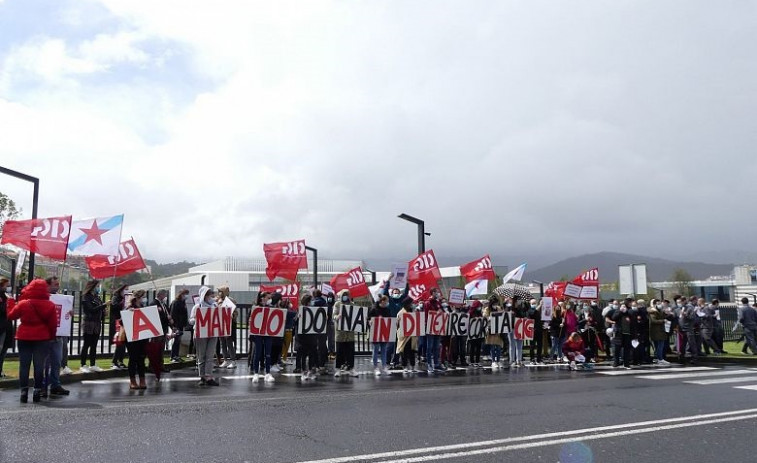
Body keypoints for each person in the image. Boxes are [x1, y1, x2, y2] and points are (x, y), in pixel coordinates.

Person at [7, 279, 56, 403]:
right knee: (39, 366)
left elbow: (11, 316)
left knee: (24, 365)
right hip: (42, 337)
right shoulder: (50, 305)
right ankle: (37, 390)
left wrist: (11, 303)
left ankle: (24, 391)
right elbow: (53, 325)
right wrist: (51, 337)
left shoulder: (24, 303)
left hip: (24, 336)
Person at [42, 276, 69, 397]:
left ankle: (55, 385)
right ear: (47, 285)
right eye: (55, 284)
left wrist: (69, 312)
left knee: (57, 361)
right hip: (45, 336)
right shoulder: (42, 297)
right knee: (44, 363)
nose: (57, 286)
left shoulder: (61, 298)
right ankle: (42, 386)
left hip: (58, 336)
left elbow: (65, 316)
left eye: (58, 284)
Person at [189, 286, 220, 386]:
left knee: (210, 355)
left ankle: (208, 376)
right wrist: (197, 319)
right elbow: (191, 321)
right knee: (201, 355)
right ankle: (202, 376)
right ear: (203, 295)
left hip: (213, 333)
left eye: (210, 294)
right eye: (207, 294)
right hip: (200, 334)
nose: (210, 296)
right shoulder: (197, 307)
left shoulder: (215, 306)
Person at [80, 279, 107, 373]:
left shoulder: (97, 297)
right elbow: (91, 309)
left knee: (94, 345)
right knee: (87, 344)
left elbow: (99, 310)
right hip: (89, 322)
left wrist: (104, 312)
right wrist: (103, 306)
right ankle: (83, 364)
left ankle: (92, 364)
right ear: (92, 286)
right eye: (97, 286)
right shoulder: (86, 297)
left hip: (97, 323)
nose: (98, 288)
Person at [124, 290, 148, 390]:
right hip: (132, 337)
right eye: (143, 296)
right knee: (133, 358)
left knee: (141, 359)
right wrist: (129, 313)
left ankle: (142, 380)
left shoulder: (142, 307)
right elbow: (122, 321)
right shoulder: (130, 307)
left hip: (142, 336)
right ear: (139, 297)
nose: (144, 298)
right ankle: (133, 381)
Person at [146, 289, 172, 381]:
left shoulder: (163, 304)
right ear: (160, 295)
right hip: (157, 329)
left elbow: (167, 313)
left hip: (163, 329)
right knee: (155, 349)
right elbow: (154, 316)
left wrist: (169, 319)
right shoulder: (154, 303)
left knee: (161, 349)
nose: (165, 297)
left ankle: (160, 365)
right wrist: (166, 317)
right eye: (164, 295)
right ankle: (152, 366)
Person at [333, 289, 359, 377]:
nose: (345, 296)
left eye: (347, 295)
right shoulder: (337, 304)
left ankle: (351, 368)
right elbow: (334, 316)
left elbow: (357, 316)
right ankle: (338, 369)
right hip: (340, 333)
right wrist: (337, 317)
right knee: (339, 352)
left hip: (350, 333)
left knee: (350, 352)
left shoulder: (352, 304)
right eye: (344, 295)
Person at [297, 293, 319, 380]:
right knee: (304, 354)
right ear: (308, 302)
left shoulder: (314, 310)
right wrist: (298, 318)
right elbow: (296, 322)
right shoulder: (300, 310)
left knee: (311, 354)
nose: (312, 302)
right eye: (311, 301)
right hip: (303, 337)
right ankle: (304, 372)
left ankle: (309, 371)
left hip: (311, 335)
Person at [424, 288, 445, 373]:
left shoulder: (438, 303)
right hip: (430, 326)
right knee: (430, 347)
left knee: (437, 346)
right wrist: (437, 312)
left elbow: (441, 313)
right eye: (436, 292)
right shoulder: (427, 303)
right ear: (432, 293)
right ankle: (429, 364)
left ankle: (436, 364)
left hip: (437, 326)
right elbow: (427, 314)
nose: (438, 293)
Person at [216, 286, 238, 369]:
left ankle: (233, 361)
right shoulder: (218, 301)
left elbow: (235, 313)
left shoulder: (230, 300)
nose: (219, 293)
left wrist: (232, 315)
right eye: (219, 291)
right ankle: (225, 360)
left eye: (220, 291)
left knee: (229, 342)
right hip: (220, 324)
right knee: (222, 342)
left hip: (229, 324)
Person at [369, 295, 391, 376]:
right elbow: (369, 317)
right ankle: (375, 367)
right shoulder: (374, 309)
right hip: (376, 332)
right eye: (386, 301)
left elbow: (389, 320)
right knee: (375, 350)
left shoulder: (387, 310)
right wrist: (370, 321)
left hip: (384, 332)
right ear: (382, 301)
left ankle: (384, 367)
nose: (387, 303)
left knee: (384, 350)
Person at [396, 298, 418, 373]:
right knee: (404, 351)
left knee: (412, 351)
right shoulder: (401, 313)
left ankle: (412, 366)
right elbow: (398, 325)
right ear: (407, 304)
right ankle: (405, 366)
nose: (412, 305)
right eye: (411, 303)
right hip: (404, 336)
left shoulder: (413, 312)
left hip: (412, 336)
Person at [110, 284, 128, 370]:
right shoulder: (116, 298)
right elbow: (114, 307)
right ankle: (114, 361)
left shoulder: (126, 298)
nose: (126, 292)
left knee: (123, 343)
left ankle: (120, 361)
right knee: (119, 343)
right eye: (125, 290)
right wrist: (123, 302)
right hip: (119, 322)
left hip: (125, 322)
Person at [612, 298, 635, 369]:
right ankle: (616, 362)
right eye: (630, 302)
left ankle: (626, 363)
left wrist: (626, 311)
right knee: (617, 348)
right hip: (619, 332)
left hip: (627, 333)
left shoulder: (630, 311)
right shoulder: (618, 310)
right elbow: (614, 318)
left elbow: (632, 319)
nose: (631, 304)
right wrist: (620, 311)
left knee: (627, 349)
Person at [312, 289, 330, 375]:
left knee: (315, 347)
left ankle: (315, 365)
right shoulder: (325, 303)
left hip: (314, 328)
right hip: (323, 328)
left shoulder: (313, 303)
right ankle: (322, 365)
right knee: (322, 346)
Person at [169, 289, 190, 362]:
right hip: (176, 325)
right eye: (185, 294)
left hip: (181, 325)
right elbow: (173, 314)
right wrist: (174, 326)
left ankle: (176, 355)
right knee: (176, 340)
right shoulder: (176, 303)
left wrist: (184, 324)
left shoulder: (183, 302)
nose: (186, 296)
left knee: (178, 340)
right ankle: (173, 356)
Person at [485, 295, 505, 369]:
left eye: (496, 303)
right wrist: (489, 318)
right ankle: (493, 361)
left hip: (498, 330)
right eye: (494, 303)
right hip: (491, 330)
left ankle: (498, 360)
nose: (495, 305)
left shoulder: (499, 308)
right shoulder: (487, 309)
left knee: (499, 346)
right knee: (493, 346)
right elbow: (484, 316)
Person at [648, 299, 670, 365]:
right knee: (660, 345)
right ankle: (660, 358)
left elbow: (661, 317)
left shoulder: (659, 311)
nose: (660, 305)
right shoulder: (653, 311)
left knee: (658, 345)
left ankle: (658, 358)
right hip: (657, 331)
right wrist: (663, 321)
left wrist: (666, 314)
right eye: (658, 303)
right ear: (654, 304)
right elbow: (653, 321)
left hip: (659, 331)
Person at [0, 277, 13, 379]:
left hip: (6, 327)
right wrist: (8, 302)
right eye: (7, 285)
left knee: (3, 350)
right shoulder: (3, 297)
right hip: (2, 327)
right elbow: (3, 310)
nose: (8, 287)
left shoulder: (6, 297)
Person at [528, 299, 544, 365]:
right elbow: (533, 312)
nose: (534, 304)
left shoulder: (538, 311)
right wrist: (540, 305)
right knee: (532, 346)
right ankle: (532, 359)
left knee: (539, 345)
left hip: (539, 330)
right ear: (530, 304)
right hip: (532, 330)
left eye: (535, 303)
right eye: (533, 303)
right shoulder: (530, 310)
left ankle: (539, 359)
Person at [468, 300, 484, 368]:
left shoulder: (480, 313)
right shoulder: (470, 313)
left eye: (480, 306)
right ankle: (472, 361)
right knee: (472, 347)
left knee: (478, 347)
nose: (479, 307)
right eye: (479, 306)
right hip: (472, 333)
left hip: (479, 333)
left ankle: (477, 361)